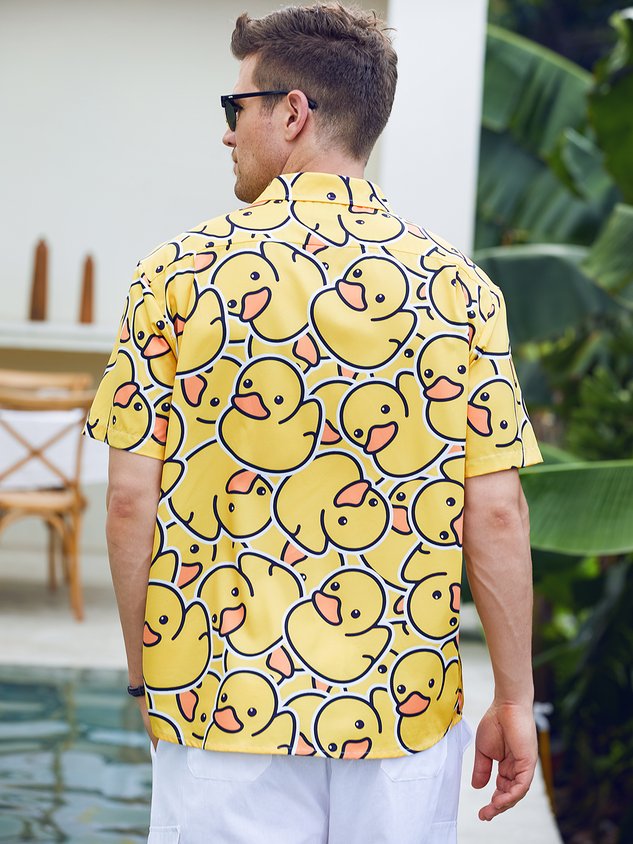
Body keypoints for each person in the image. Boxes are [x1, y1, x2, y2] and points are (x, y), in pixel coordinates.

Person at [87, 4, 543, 842]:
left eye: (236, 107)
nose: (227, 132)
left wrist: (147, 676)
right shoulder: (459, 289)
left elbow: (127, 502)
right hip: (398, 708)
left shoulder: (173, 277)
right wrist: (513, 698)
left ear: (292, 112)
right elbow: (496, 512)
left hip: (220, 698)